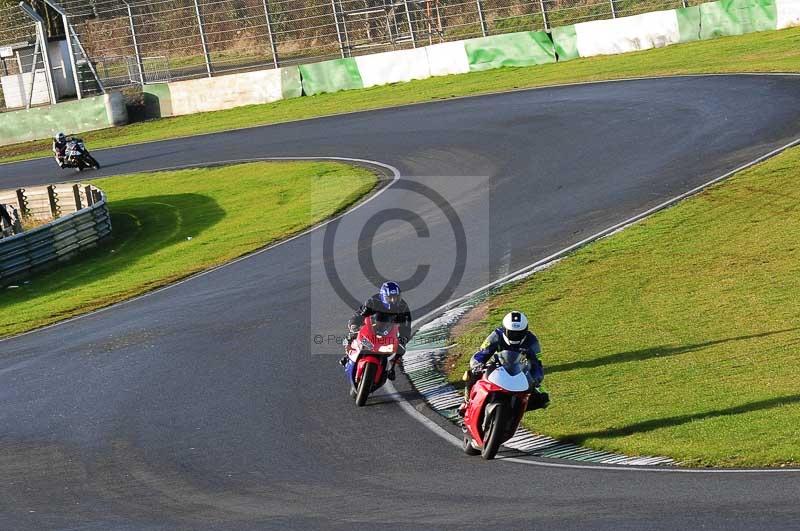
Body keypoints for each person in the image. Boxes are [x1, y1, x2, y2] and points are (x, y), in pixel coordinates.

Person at [458, 310, 549, 416]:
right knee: (471, 374)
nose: (515, 336)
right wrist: (477, 365)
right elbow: (481, 354)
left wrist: (535, 378)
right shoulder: (497, 335)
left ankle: (515, 412)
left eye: (519, 333)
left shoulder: (532, 341)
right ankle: (466, 402)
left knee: (544, 399)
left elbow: (537, 364)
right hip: (496, 367)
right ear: (505, 329)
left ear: (525, 330)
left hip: (519, 372)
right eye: (512, 332)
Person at [339, 281, 412, 379]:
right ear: (383, 296)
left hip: (390, 331)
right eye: (390, 297)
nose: (393, 300)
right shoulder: (373, 301)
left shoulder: (403, 307)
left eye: (396, 297)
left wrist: (403, 338)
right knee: (352, 335)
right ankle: (347, 356)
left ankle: (391, 368)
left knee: (401, 348)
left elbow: (406, 327)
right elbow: (359, 314)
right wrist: (354, 324)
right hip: (372, 326)